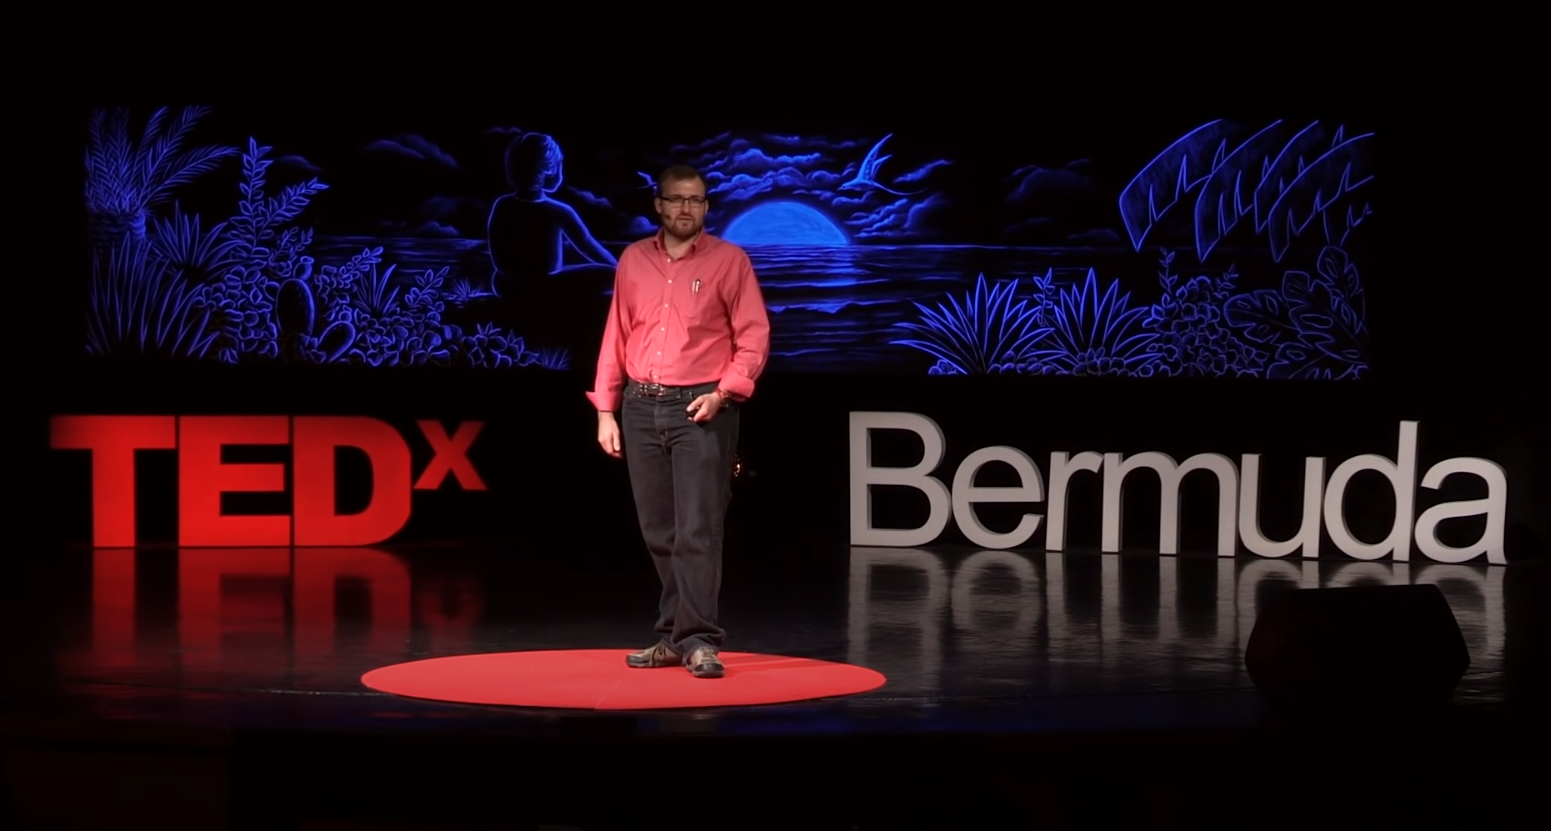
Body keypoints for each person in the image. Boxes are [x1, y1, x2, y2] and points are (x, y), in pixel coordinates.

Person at [587, 164, 771, 679]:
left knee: (697, 529)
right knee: (659, 530)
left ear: (707, 207)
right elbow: (616, 335)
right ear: (659, 206)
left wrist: (723, 394)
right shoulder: (633, 260)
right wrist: (606, 408)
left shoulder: (730, 262)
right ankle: (674, 636)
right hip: (640, 405)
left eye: (697, 200)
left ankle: (699, 640)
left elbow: (752, 337)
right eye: (677, 200)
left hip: (701, 405)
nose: (687, 208)